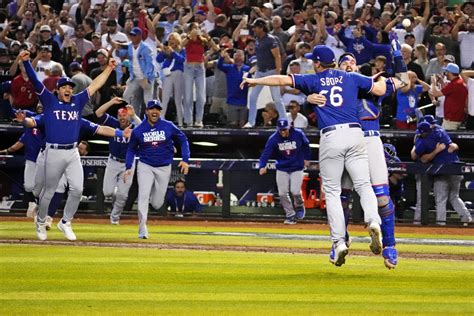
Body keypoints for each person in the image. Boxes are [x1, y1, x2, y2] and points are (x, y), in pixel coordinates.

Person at [242, 45, 386, 267]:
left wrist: (256, 82)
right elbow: (379, 90)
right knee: (364, 184)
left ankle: (339, 242)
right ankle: (373, 221)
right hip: (356, 133)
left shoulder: (314, 81)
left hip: (331, 137)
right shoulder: (351, 77)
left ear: (318, 63)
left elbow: (282, 80)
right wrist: (377, 79)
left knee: (332, 191)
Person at [20, 49, 117, 241]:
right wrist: (26, 63)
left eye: (70, 87)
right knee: (48, 192)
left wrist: (109, 69)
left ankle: (65, 222)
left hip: (72, 152)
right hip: (53, 152)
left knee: (77, 190)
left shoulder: (78, 102)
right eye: (64, 87)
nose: (68, 89)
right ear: (58, 89)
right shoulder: (49, 101)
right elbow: (35, 81)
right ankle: (40, 222)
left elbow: (95, 85)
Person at [125, 100, 190, 239]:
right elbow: (130, 149)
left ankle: (152, 200)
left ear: (160, 111)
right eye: (152, 109)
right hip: (145, 165)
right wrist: (128, 166)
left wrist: (185, 159)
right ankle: (142, 229)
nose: (155, 111)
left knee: (157, 203)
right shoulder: (139, 130)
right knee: (143, 196)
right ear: (147, 111)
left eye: (157, 109)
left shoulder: (168, 126)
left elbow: (183, 139)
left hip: (164, 167)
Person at [411, 121, 472, 226]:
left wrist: (434, 150)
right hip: (456, 167)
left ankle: (441, 223)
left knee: (440, 198)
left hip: (443, 170)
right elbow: (453, 145)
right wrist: (452, 146)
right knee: (454, 196)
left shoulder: (424, 141)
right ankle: (466, 218)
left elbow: (420, 158)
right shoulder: (440, 130)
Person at [95, 97, 141, 225]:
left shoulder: (135, 126)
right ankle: (116, 190)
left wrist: (134, 115)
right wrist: (110, 102)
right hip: (113, 160)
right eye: (120, 115)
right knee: (107, 192)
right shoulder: (113, 123)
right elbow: (98, 113)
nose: (122, 118)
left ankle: (114, 217)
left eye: (125, 115)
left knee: (123, 196)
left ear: (128, 116)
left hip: (129, 163)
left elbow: (145, 128)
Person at [258, 119, 311, 224]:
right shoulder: (273, 138)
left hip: (297, 167)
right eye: (280, 130)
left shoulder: (298, 133)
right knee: (282, 193)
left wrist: (307, 158)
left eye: (284, 129)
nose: (283, 132)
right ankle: (290, 214)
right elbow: (266, 153)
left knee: (295, 191)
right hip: (282, 168)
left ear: (289, 127)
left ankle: (299, 206)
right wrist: (262, 166)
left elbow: (306, 145)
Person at [244, 18, 286, 128]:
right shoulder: (257, 39)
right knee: (253, 97)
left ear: (261, 28)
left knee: (276, 98)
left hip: (271, 72)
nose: (254, 29)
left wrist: (278, 73)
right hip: (260, 72)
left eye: (255, 27)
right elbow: (260, 57)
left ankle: (284, 120)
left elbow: (277, 56)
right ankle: (251, 122)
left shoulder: (271, 40)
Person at [121, 27, 156, 117]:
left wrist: (146, 77)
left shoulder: (146, 48)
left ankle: (152, 121)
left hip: (146, 77)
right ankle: (130, 119)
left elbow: (150, 64)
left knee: (148, 101)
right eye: (131, 35)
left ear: (140, 36)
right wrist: (114, 46)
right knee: (126, 96)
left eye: (134, 35)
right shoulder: (129, 46)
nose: (132, 37)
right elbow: (120, 52)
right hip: (135, 77)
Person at [156, 32, 186, 127]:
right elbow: (158, 59)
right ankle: (161, 121)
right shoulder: (167, 50)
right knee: (165, 98)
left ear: (177, 40)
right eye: (169, 39)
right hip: (168, 75)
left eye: (173, 38)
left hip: (178, 73)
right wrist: (163, 51)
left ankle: (181, 122)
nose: (171, 40)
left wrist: (173, 52)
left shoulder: (182, 50)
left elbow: (182, 60)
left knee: (178, 99)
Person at [217, 49, 250, 128]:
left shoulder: (248, 69)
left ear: (243, 57)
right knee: (233, 124)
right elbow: (219, 66)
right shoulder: (229, 68)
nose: (238, 58)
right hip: (232, 101)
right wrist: (222, 57)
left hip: (244, 100)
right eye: (236, 56)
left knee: (243, 124)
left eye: (240, 56)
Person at [429, 63, 468, 131]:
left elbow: (435, 93)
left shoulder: (454, 84)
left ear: (450, 73)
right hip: (456, 118)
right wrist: (441, 82)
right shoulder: (459, 82)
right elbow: (448, 91)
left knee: (445, 140)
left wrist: (433, 82)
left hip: (451, 120)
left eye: (446, 72)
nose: (445, 74)